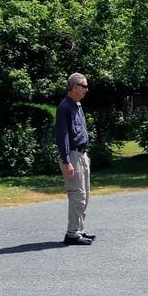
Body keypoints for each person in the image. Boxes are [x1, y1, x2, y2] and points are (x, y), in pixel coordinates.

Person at [55, 73, 94, 246]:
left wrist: (86, 156)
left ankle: (79, 229)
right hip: (72, 155)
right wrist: (67, 161)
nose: (86, 90)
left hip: (82, 155)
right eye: (84, 86)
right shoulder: (65, 107)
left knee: (85, 194)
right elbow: (61, 136)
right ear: (75, 87)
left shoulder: (77, 105)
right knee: (77, 196)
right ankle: (72, 234)